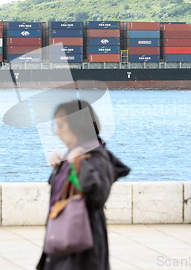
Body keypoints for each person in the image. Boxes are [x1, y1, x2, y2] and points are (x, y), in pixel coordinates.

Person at [36, 100, 130, 270]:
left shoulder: (94, 156)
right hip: (63, 244)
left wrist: (74, 164)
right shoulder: (76, 154)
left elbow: (98, 193)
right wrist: (59, 167)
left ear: (77, 126)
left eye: (60, 126)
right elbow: (62, 191)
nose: (56, 132)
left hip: (83, 252)